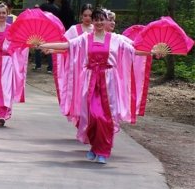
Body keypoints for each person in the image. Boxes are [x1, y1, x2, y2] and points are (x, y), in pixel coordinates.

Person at [37, 8, 162, 164]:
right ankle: (95, 147)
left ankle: (103, 151)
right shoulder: (85, 38)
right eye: (96, 20)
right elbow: (67, 45)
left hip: (109, 83)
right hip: (89, 82)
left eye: (102, 19)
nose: (99, 22)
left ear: (107, 20)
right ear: (93, 22)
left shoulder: (116, 39)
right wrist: (44, 44)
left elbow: (136, 50)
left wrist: (153, 52)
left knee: (105, 118)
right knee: (92, 116)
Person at [37, 0, 60, 73]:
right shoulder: (57, 8)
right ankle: (50, 68)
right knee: (50, 47)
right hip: (52, 30)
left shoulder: (43, 6)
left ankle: (38, 65)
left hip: (42, 28)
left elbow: (38, 15)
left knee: (39, 45)